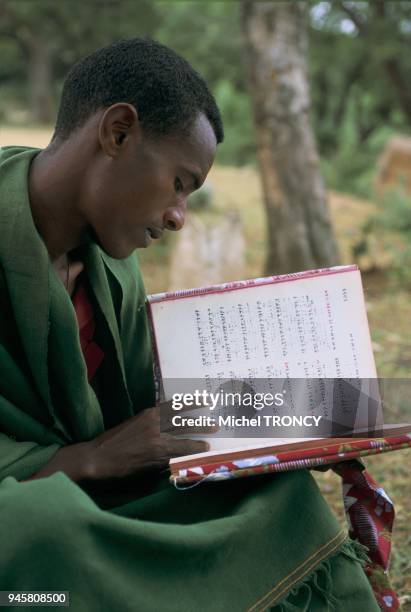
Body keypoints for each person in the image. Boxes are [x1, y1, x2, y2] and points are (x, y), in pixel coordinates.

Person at [0, 39, 379, 611]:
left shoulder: (114, 272)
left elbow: (142, 412)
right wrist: (88, 460)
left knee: (274, 494)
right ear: (118, 132)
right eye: (180, 183)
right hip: (33, 506)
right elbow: (106, 451)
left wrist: (289, 426)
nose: (178, 217)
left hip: (89, 495)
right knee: (45, 526)